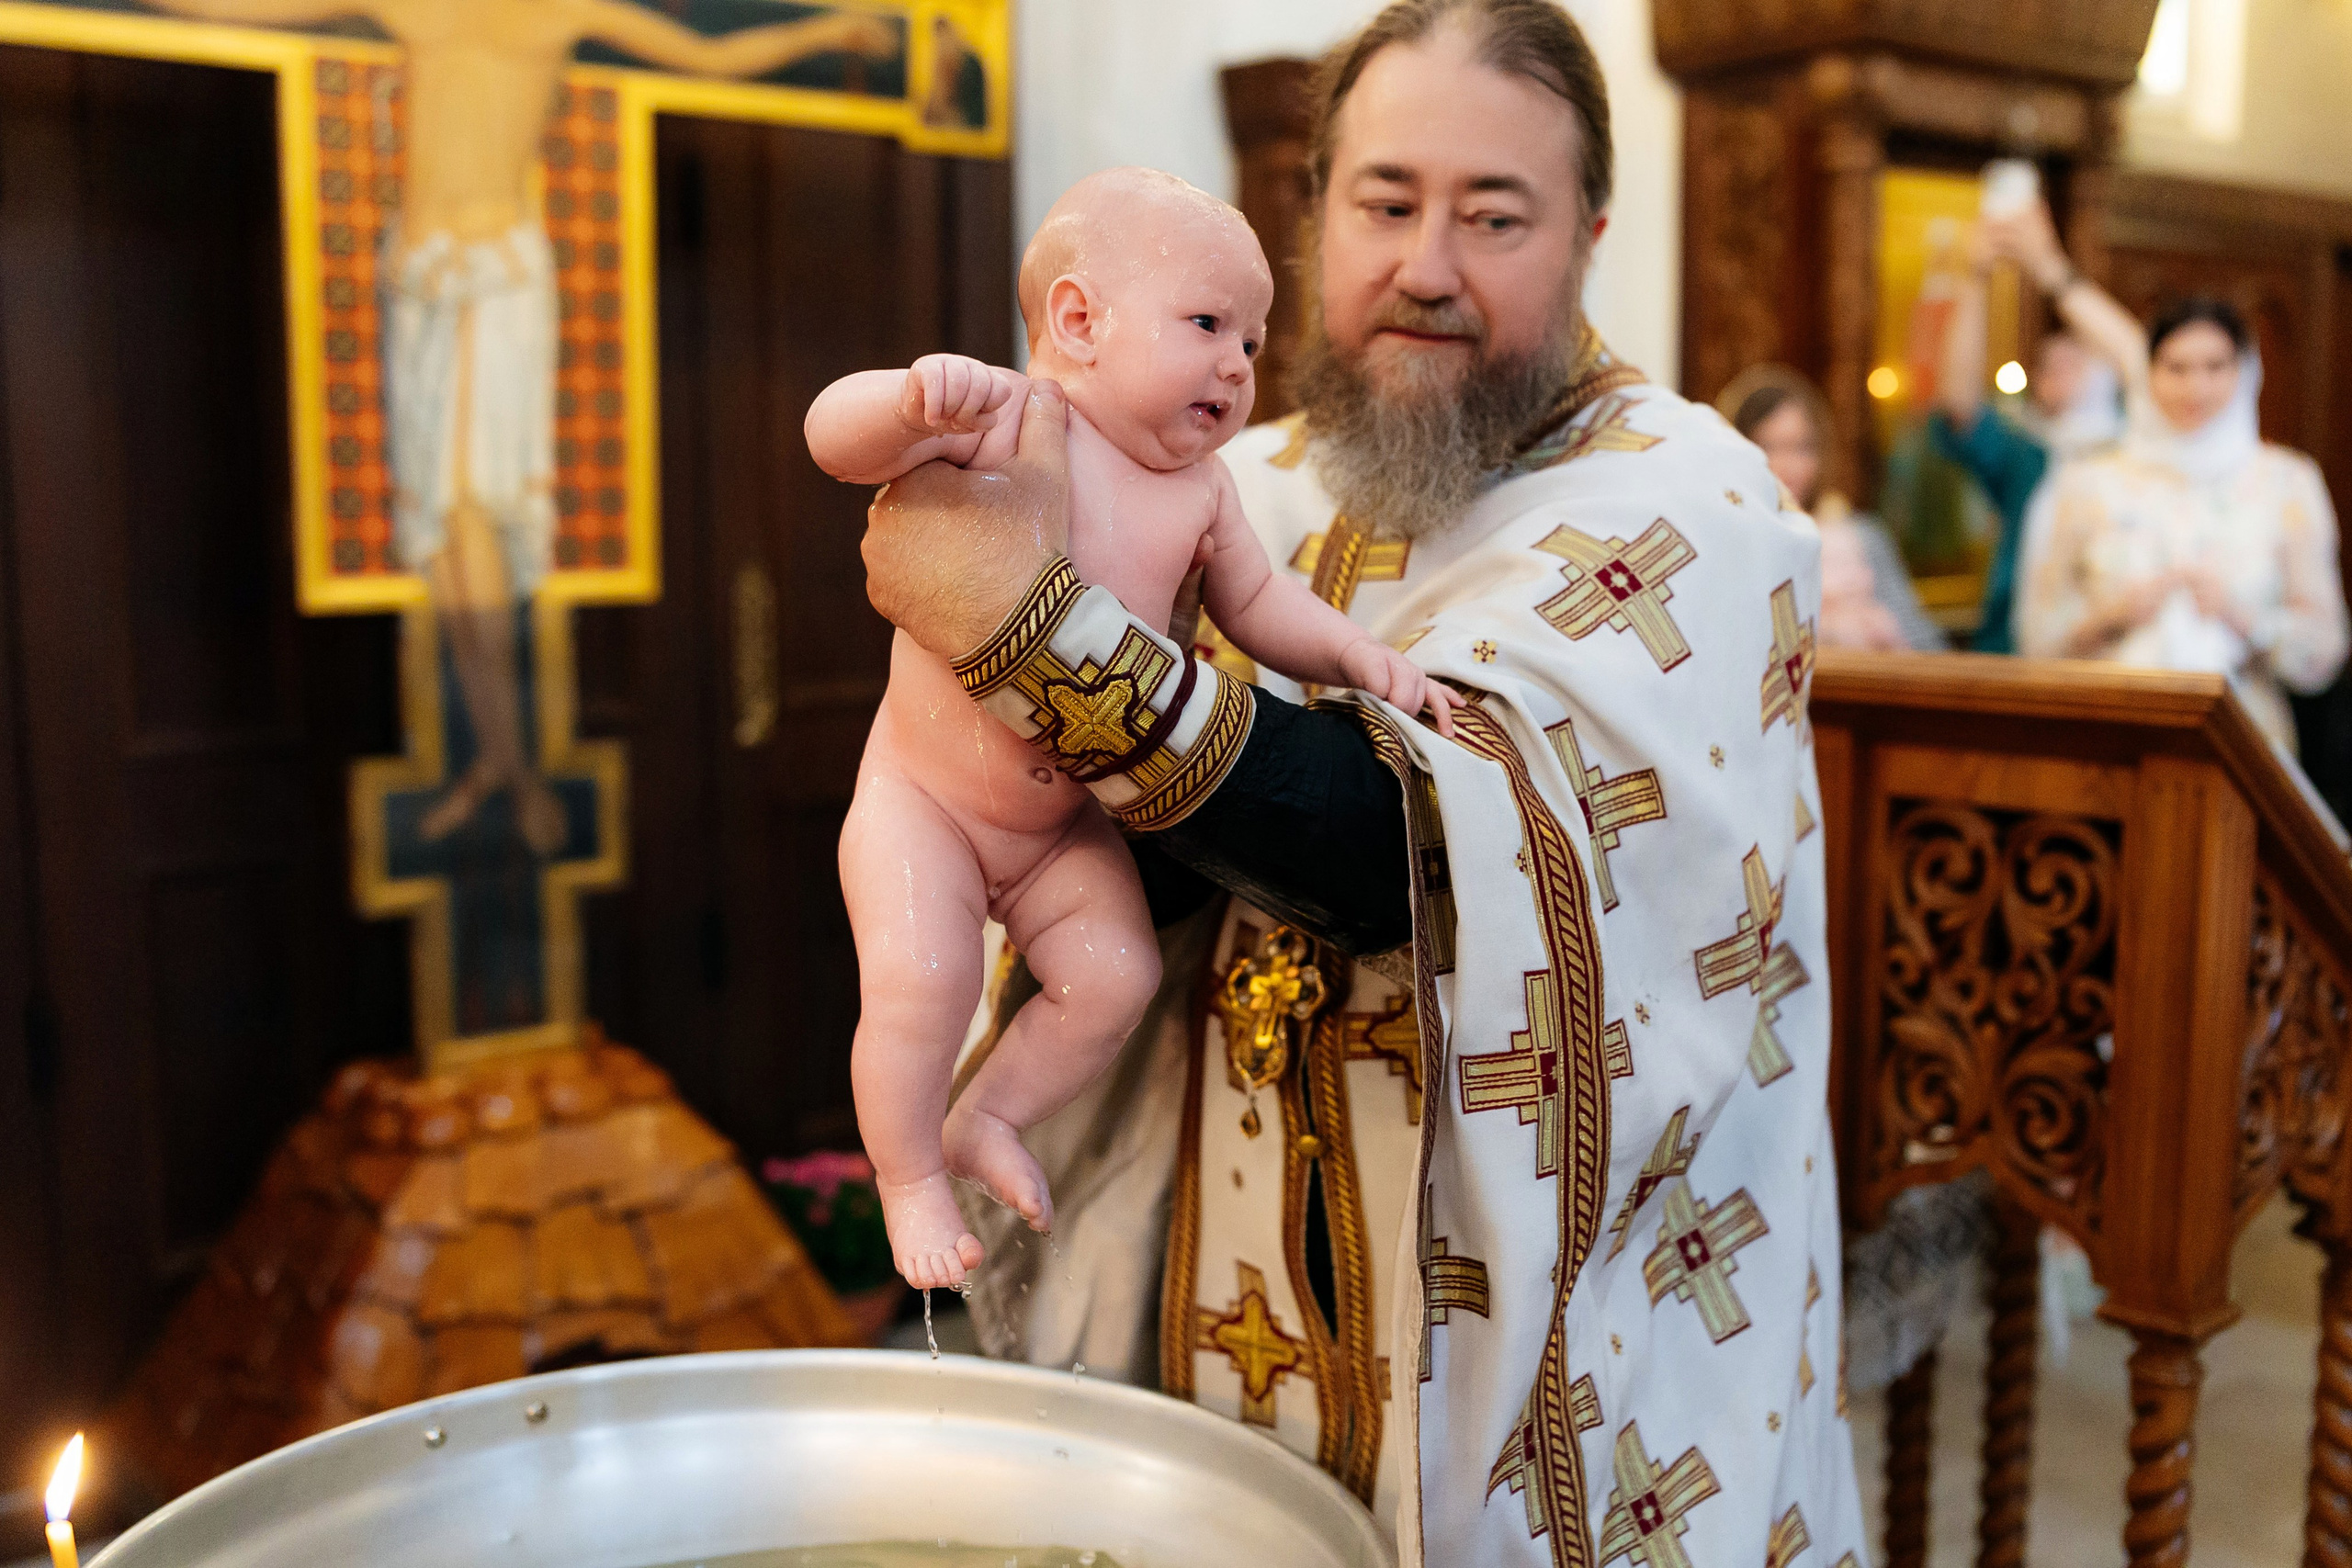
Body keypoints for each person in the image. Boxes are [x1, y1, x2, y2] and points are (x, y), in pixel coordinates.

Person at [860, 1, 1869, 1559]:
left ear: (1593, 231)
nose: (1428, 266)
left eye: (1495, 215)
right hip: (1224, 1275)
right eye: (1386, 202)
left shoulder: (1696, 507)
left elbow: (1386, 849)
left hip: (1552, 1353)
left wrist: (1032, 630)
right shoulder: (1227, 473)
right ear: (1312, 208)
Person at [803, 169, 1453, 1291]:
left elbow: (1258, 607)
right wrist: (908, 404)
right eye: (1206, 324)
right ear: (1076, 320)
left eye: (1252, 340)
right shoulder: (1006, 418)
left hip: (1065, 827)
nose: (1237, 366)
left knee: (1112, 976)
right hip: (928, 809)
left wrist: (1352, 654)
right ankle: (908, 1177)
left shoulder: (1202, 491)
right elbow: (830, 440)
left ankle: (988, 1117)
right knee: (920, 978)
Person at [140, 0, 897, 853]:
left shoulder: (560, 10)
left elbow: (709, 56)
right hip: (418, 282)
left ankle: (509, 765)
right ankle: (497, 759)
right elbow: (245, 10)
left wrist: (827, 32)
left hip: (495, 285)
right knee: (443, 537)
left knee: (471, 523)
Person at [2018, 295, 2349, 752]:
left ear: (2245, 372)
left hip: (2243, 748)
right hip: (2105, 738)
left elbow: (2325, 650)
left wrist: (2241, 617)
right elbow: (2036, 637)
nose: (2196, 388)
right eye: (2176, 368)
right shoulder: (2088, 482)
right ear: (2147, 373)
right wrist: (2115, 616)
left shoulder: (2288, 482)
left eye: (2216, 367)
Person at [1931, 196, 2147, 653]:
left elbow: (2138, 356)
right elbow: (1959, 402)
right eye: (2047, 366)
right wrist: (1975, 278)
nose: (2059, 371)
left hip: (2115, 649)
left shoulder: (2137, 446)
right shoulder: (2027, 453)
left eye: (2075, 359)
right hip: (2016, 645)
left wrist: (2048, 266)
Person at [1718, 363, 1944, 652]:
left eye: (1803, 448)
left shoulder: (1861, 536)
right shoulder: (1727, 543)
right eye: (1772, 447)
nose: (1792, 467)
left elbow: (1927, 648)